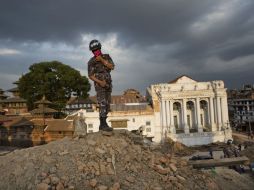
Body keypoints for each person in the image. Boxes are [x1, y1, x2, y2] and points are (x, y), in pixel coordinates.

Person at [87, 39, 114, 131]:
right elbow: (90, 75)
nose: (95, 52)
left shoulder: (106, 57)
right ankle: (102, 124)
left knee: (107, 104)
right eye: (93, 51)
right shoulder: (91, 62)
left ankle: (104, 122)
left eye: (97, 49)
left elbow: (112, 67)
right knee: (102, 103)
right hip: (99, 85)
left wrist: (102, 60)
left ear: (100, 48)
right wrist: (99, 82)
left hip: (108, 84)